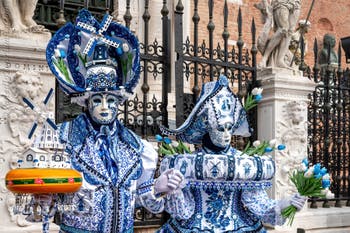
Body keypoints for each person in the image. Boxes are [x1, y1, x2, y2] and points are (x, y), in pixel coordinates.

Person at [46, 9, 183, 233]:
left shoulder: (135, 146)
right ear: (86, 101)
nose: (104, 106)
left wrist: (158, 187)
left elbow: (141, 200)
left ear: (119, 101)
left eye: (111, 100)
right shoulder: (63, 139)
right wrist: (47, 200)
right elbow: (45, 207)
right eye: (98, 99)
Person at [157, 75, 307, 232]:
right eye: (221, 128)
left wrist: (285, 204)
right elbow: (183, 212)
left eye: (230, 127)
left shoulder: (244, 163)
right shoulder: (186, 163)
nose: (227, 134)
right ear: (208, 127)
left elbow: (258, 204)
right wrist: (175, 191)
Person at [257, 0, 301, 68]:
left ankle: (280, 60)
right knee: (283, 29)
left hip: (296, 3)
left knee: (290, 32)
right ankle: (264, 58)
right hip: (282, 2)